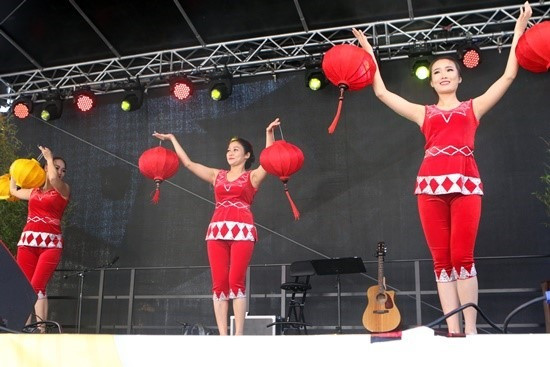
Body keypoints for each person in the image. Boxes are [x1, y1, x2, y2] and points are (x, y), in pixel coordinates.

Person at [353, 2, 532, 335]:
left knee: (463, 257)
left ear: (459, 77)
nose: (443, 75)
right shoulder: (425, 114)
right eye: (437, 72)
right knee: (441, 262)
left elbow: (507, 75)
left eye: (449, 70)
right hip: (429, 188)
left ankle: (471, 330)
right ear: (432, 83)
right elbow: (380, 92)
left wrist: (518, 33)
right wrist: (369, 55)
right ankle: (453, 332)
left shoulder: (472, 108)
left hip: (466, 183)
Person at [153, 118, 281, 335]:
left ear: (247, 155)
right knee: (219, 283)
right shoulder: (217, 175)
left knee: (235, 282)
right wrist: (173, 139)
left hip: (242, 231)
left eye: (235, 150)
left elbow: (268, 161)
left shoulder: (252, 177)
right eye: (228, 150)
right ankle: (223, 336)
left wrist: (270, 134)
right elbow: (189, 164)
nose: (230, 153)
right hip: (216, 232)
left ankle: (238, 334)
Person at [10, 146, 70, 331]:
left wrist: (49, 157)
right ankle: (25, 328)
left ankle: (41, 330)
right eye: (56, 167)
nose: (59, 172)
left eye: (63, 170)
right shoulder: (34, 192)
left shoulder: (63, 190)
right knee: (26, 288)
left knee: (37, 286)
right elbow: (14, 190)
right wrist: (16, 172)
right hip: (27, 243)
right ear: (44, 168)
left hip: (50, 245)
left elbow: (52, 179)